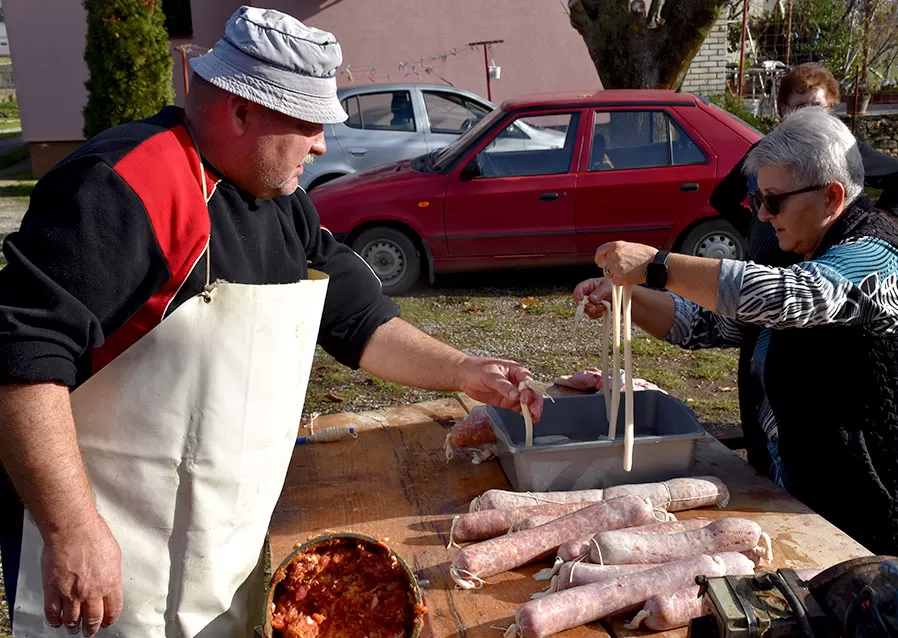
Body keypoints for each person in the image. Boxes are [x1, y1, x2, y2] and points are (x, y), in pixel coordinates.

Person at [0, 7, 543, 637]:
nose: (321, 145)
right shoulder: (123, 186)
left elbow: (358, 322)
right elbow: (21, 356)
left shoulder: (283, 205)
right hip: (99, 533)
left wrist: (465, 370)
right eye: (310, 123)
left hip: (212, 537)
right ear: (240, 111)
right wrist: (71, 528)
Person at [574, 107, 898, 560]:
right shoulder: (803, 253)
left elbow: (793, 297)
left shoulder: (880, 257)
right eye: (757, 201)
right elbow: (706, 322)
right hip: (808, 509)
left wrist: (658, 266)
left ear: (831, 197)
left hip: (887, 530)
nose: (764, 216)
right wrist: (625, 297)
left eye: (774, 200)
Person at [711, 62, 898, 267]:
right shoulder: (766, 153)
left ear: (830, 108)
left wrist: (875, 221)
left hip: (816, 265)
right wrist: (753, 227)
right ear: (784, 109)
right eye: (801, 106)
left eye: (817, 106)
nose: (809, 114)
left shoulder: (842, 151)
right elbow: (722, 198)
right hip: (765, 264)